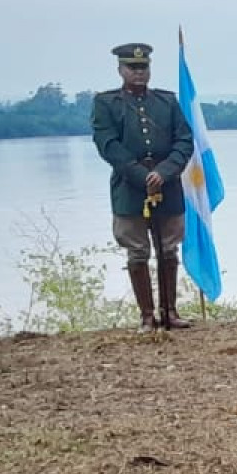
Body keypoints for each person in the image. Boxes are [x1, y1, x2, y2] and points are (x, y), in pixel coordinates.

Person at [91, 42, 195, 333]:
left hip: (168, 184)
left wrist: (164, 171)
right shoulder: (106, 103)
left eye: (143, 67)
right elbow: (107, 144)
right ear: (120, 69)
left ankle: (170, 312)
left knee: (168, 250)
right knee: (137, 252)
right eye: (132, 68)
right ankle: (147, 316)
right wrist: (140, 175)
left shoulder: (166, 102)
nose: (138, 72)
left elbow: (185, 140)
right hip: (130, 187)